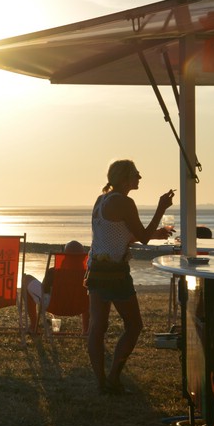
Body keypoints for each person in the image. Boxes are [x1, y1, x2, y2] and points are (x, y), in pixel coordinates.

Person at [86, 159, 174, 395]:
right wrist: (161, 208)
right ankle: (114, 377)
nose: (140, 177)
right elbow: (143, 237)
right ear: (125, 178)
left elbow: (115, 235)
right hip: (115, 274)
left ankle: (101, 382)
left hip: (95, 269)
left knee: (97, 328)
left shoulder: (101, 199)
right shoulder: (124, 202)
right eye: (136, 174)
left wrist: (154, 233)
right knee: (134, 326)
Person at [22, 240, 86, 333]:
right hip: (80, 306)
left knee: (26, 279)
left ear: (64, 257)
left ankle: (34, 325)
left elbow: (44, 289)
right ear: (83, 258)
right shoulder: (87, 274)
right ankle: (86, 329)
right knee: (89, 296)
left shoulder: (54, 272)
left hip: (54, 306)